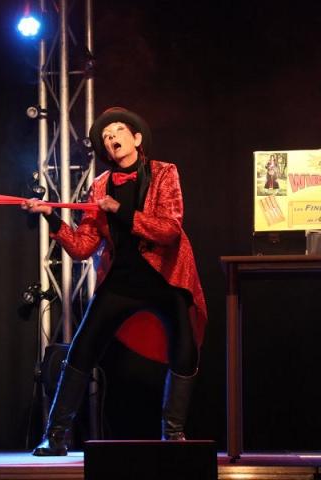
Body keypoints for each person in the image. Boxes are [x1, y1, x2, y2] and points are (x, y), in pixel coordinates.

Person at [23, 107, 207, 456]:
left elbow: (169, 230)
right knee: (81, 349)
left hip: (165, 277)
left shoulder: (164, 172)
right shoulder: (100, 186)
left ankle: (173, 435)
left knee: (185, 350)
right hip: (121, 280)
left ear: (136, 139)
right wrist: (52, 217)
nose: (111, 139)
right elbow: (83, 247)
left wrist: (119, 210)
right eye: (106, 137)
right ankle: (56, 436)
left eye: (118, 131)